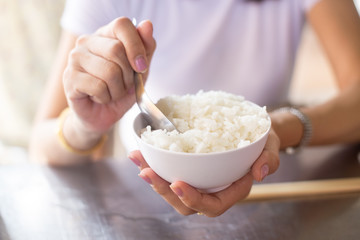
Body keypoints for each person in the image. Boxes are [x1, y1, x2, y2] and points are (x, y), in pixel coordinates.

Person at [29, 0, 360, 217]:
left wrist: (276, 129)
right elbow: (40, 147)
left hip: (270, 193)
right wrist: (86, 126)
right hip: (145, 199)